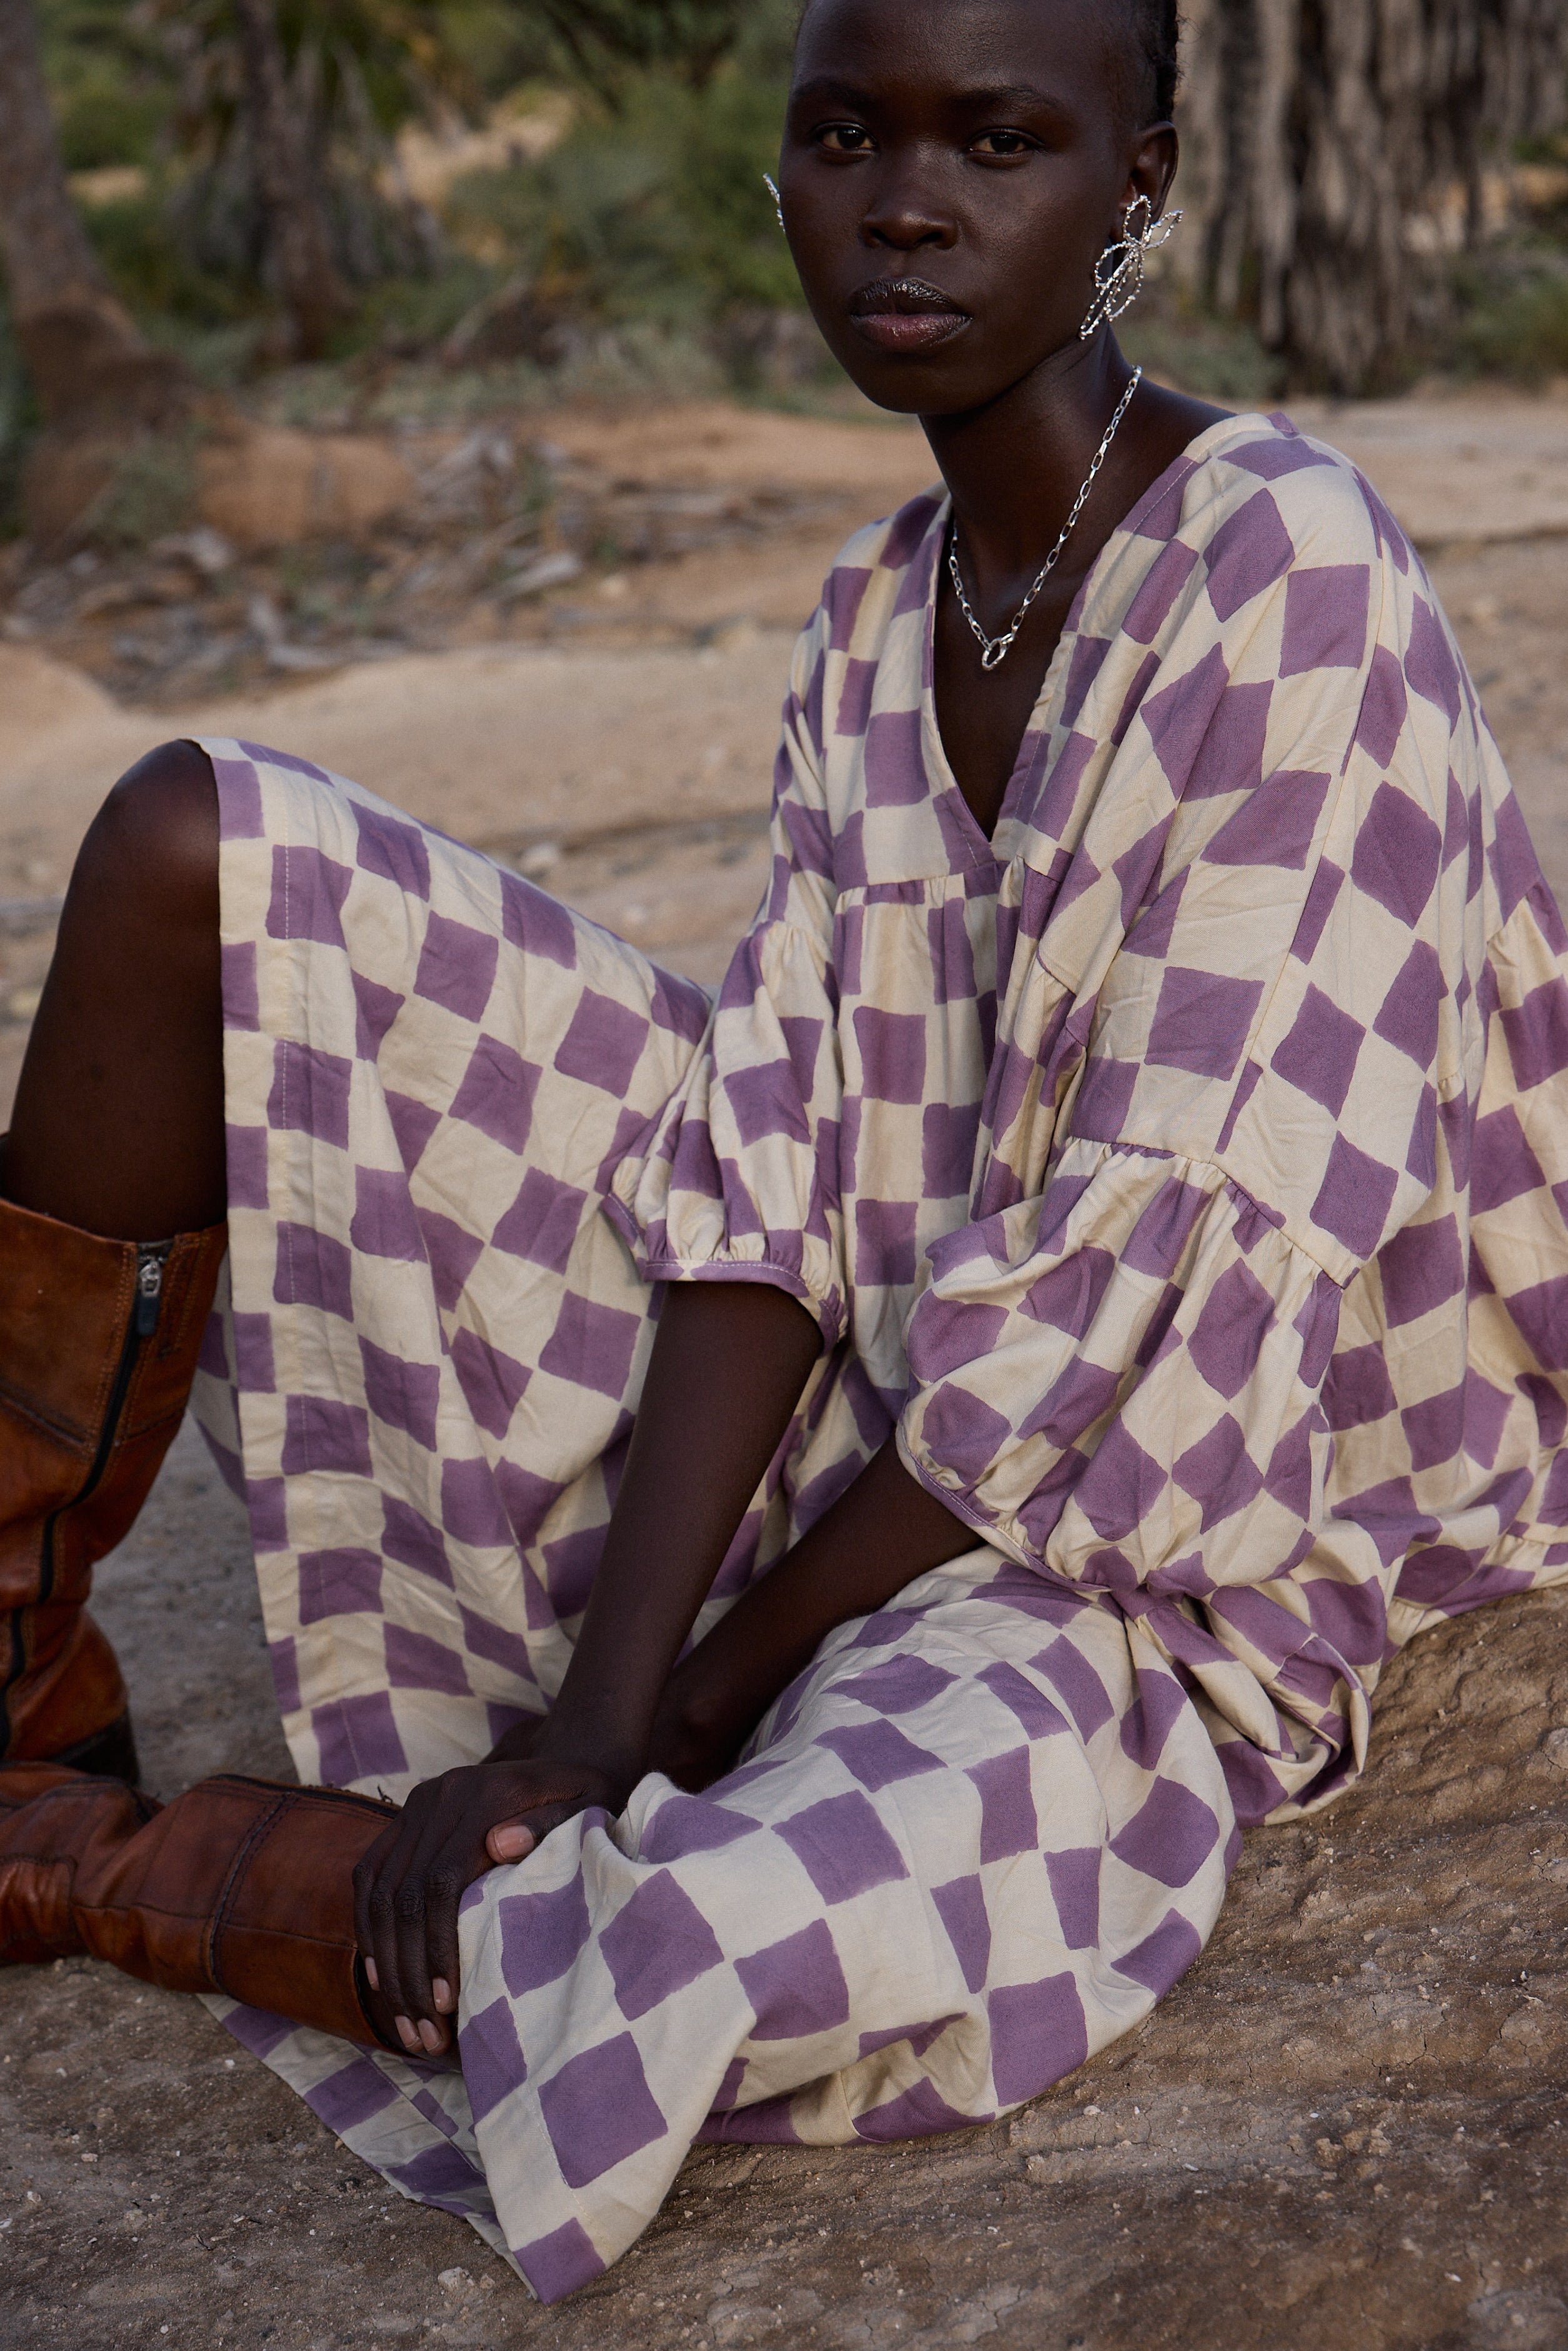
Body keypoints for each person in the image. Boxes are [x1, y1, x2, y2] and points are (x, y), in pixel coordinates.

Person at [2, 0, 1565, 2304]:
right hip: (906, 1393)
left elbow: (1153, 1343)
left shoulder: (1290, 583)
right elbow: (778, 1177)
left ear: (1140, 177)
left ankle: (101, 1866)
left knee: (744, 1921)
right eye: (845, 137)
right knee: (191, 849)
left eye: (996, 139)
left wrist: (689, 1721)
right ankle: (27, 1676)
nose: (903, 204)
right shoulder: (870, 616)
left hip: (1187, 1512)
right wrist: (606, 1711)